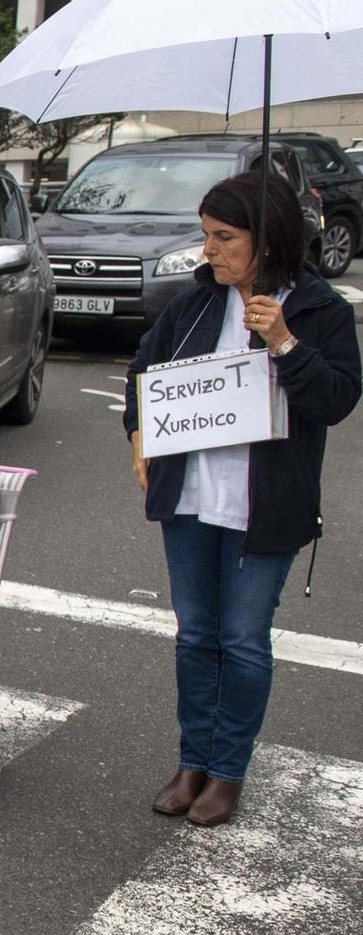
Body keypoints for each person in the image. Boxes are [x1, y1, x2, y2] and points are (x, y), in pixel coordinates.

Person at [124, 169, 361, 827]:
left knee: (244, 638)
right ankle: (192, 759)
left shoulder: (321, 310)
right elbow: (144, 373)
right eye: (206, 236)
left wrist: (284, 342)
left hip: (267, 505)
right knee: (196, 634)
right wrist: (140, 436)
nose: (210, 251)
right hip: (192, 497)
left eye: (225, 237)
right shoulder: (195, 303)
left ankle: (227, 771)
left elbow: (337, 399)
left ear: (267, 235)